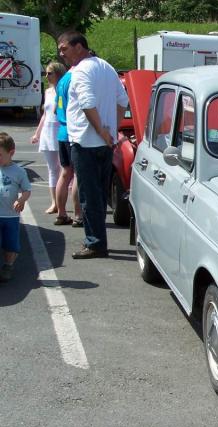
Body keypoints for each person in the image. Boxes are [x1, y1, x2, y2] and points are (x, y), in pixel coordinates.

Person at [57, 31, 128, 259]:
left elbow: (87, 104)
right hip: (103, 144)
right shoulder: (106, 66)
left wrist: (102, 131)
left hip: (85, 142)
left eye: (64, 48)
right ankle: (97, 241)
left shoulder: (79, 71)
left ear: (79, 47)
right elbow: (122, 101)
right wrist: (111, 133)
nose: (61, 54)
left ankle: (95, 243)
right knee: (97, 194)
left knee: (90, 195)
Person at [31, 62, 66, 214]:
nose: (46, 76)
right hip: (47, 133)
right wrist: (37, 133)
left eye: (49, 73)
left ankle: (63, 203)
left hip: (61, 132)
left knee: (66, 170)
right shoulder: (48, 92)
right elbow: (45, 114)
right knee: (52, 170)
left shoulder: (64, 89)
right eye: (46, 73)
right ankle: (54, 203)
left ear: (58, 73)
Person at [0, 132, 31, 282]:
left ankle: (8, 265)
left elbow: (26, 190)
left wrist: (22, 200)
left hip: (11, 215)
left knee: (11, 244)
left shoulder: (18, 171)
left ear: (11, 153)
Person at [54, 65, 82, 227]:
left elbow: (56, 108)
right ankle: (78, 215)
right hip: (73, 132)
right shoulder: (76, 78)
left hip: (62, 132)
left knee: (65, 173)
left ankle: (61, 213)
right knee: (78, 174)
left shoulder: (62, 80)